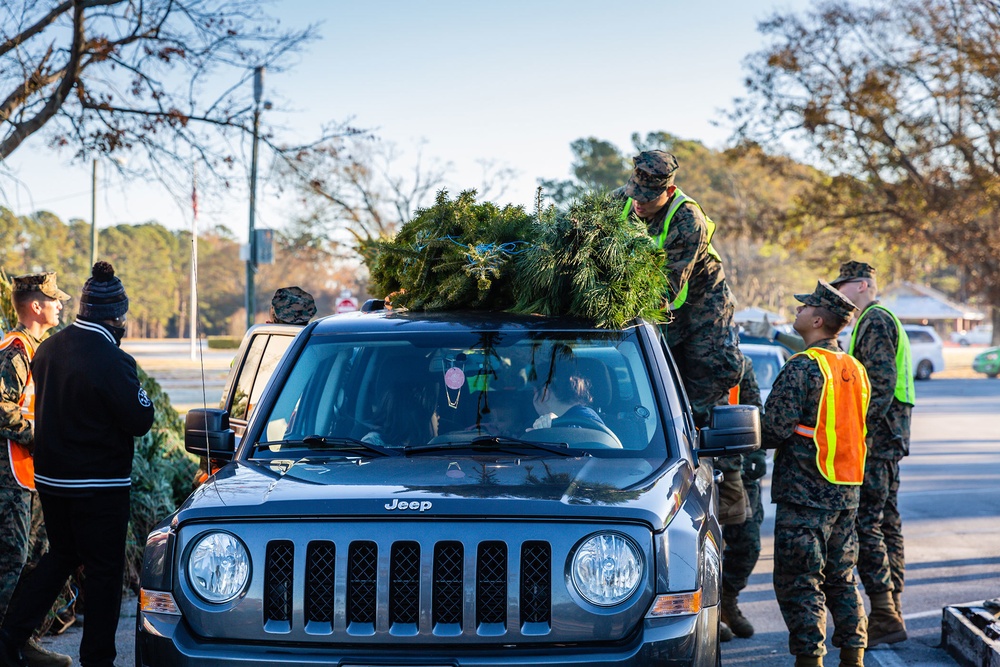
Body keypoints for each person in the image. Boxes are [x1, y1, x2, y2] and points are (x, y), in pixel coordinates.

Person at [0, 261, 155, 667]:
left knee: (61, 557)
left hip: (52, 482)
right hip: (100, 487)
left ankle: (11, 635)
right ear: (116, 315)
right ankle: (98, 659)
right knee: (104, 572)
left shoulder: (48, 349)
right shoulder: (113, 360)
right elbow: (140, 420)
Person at [617, 150, 746, 521]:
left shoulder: (688, 220)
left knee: (704, 396)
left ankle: (728, 502)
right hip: (663, 312)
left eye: (647, 197)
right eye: (634, 193)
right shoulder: (623, 202)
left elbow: (667, 290)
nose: (637, 204)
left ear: (669, 190)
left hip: (702, 308)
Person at [763, 281, 870, 667]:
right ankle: (854, 654)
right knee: (841, 577)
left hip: (804, 494)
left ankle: (810, 659)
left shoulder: (803, 368)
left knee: (800, 580)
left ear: (819, 320)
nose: (798, 311)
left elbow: (773, 430)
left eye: (805, 308)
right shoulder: (855, 369)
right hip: (846, 493)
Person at [831, 260, 912, 645]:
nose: (838, 294)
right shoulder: (880, 318)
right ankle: (891, 606)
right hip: (891, 436)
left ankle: (885, 615)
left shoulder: (875, 319)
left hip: (878, 437)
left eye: (843, 286)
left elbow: (879, 383)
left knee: (867, 523)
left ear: (862, 285)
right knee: (886, 521)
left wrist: (858, 431)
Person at [0, 273, 72, 667]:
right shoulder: (15, 349)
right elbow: (1, 408)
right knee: (12, 559)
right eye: (54, 300)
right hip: (10, 475)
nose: (60, 305)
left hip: (30, 474)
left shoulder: (37, 347)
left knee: (36, 558)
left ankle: (20, 641)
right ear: (35, 306)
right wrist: (41, 436)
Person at [720, 355, 767, 640]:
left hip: (736, 465)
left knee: (749, 544)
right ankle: (707, 611)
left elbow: (754, 409)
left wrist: (758, 451)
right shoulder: (680, 356)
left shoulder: (740, 363)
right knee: (698, 551)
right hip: (695, 464)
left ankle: (728, 601)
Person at [362, 380, 439, 447]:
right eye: (434, 412)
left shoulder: (430, 448)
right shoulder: (372, 445)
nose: (438, 417)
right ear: (419, 417)